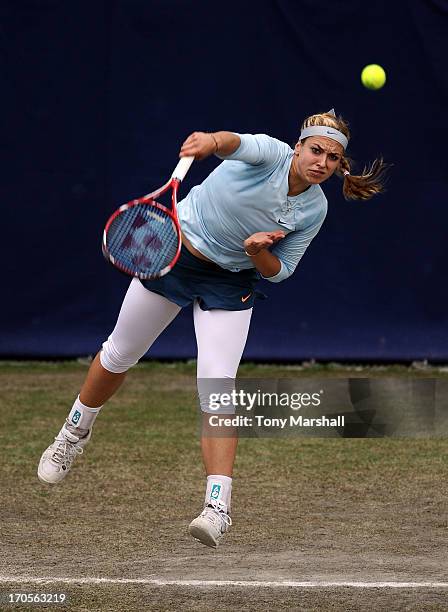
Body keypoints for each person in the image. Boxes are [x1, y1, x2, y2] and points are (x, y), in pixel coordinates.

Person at [37, 109, 388, 548]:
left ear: (338, 166)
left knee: (218, 389)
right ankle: (73, 434)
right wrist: (209, 140)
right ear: (299, 147)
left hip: (232, 279)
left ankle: (217, 508)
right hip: (177, 252)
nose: (321, 162)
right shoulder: (270, 153)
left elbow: (280, 271)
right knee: (118, 354)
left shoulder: (314, 210)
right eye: (315, 150)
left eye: (332, 159)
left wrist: (258, 252)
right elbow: (232, 142)